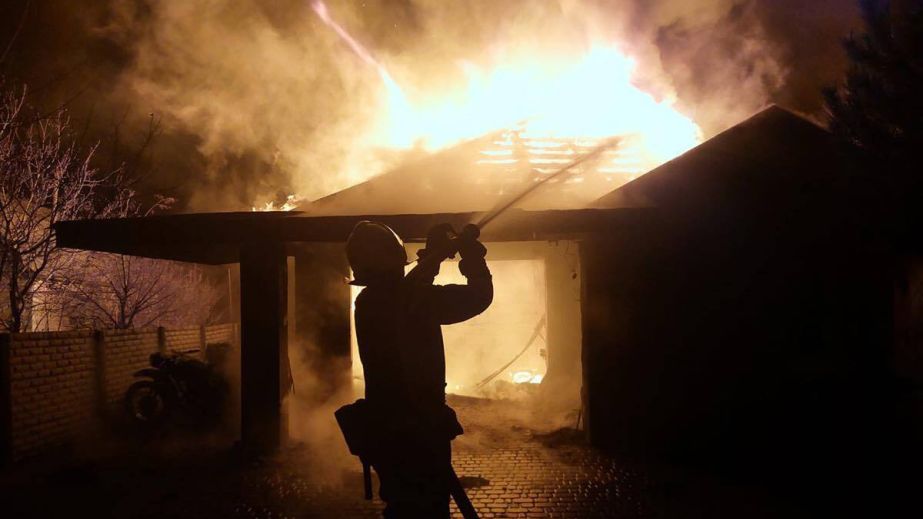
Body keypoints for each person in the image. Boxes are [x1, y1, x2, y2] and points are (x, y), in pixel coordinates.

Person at [347, 220, 493, 518]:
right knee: (428, 507)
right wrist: (472, 257)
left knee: (402, 506)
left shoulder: (368, 301)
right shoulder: (411, 298)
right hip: (419, 431)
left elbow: (408, 289)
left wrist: (433, 258)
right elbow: (479, 297)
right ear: (396, 262)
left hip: (387, 431)